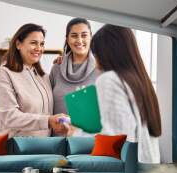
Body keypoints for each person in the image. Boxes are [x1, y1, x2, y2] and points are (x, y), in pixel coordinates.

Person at [67, 24, 162, 164]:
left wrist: (75, 133)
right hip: (150, 165)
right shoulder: (141, 82)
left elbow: (116, 140)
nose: (95, 61)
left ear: (106, 53)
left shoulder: (109, 79)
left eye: (96, 54)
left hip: (129, 171)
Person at [0, 23, 66, 138]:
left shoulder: (44, 77)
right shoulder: (4, 73)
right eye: (33, 43)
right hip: (12, 148)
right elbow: (10, 117)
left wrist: (67, 63)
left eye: (42, 44)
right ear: (18, 44)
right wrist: (48, 121)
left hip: (42, 147)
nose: (39, 48)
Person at [50, 18, 100, 118]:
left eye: (84, 35)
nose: (79, 40)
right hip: (57, 133)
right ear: (67, 39)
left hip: (91, 133)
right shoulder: (56, 68)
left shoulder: (102, 69)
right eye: (74, 36)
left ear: (91, 37)